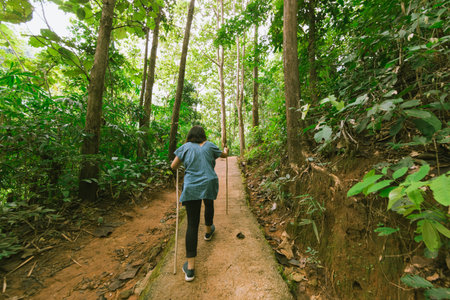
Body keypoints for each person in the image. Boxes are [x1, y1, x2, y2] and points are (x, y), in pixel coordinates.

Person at [171, 125, 228, 282]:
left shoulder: (185, 147)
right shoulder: (209, 145)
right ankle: (208, 232)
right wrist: (226, 149)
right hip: (209, 182)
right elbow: (223, 155)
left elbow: (173, 166)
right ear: (203, 135)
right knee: (209, 205)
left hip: (191, 186)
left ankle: (190, 269)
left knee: (192, 225)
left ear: (190, 136)